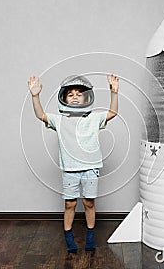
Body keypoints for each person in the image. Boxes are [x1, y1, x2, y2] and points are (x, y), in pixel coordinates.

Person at [28, 74, 119, 253]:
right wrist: (35, 96)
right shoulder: (59, 120)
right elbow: (40, 115)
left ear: (87, 97)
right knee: (70, 203)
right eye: (71, 94)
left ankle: (90, 237)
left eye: (79, 93)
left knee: (88, 202)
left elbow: (112, 113)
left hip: (91, 168)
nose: (75, 96)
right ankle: (69, 237)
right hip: (70, 169)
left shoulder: (94, 118)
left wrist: (114, 93)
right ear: (63, 98)